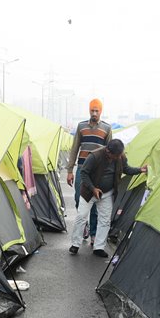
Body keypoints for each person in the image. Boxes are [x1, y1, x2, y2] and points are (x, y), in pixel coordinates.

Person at [69, 139, 146, 257]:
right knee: (81, 216)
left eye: (120, 154)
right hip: (89, 192)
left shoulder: (121, 157)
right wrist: (93, 188)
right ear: (108, 151)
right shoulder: (94, 156)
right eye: (116, 155)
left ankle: (98, 247)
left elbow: (126, 169)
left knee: (105, 220)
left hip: (107, 193)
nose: (119, 157)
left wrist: (140, 170)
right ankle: (75, 244)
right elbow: (84, 173)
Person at [66, 98, 112, 245]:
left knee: (95, 201)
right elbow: (74, 149)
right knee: (79, 199)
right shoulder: (81, 126)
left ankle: (93, 233)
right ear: (89, 111)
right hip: (81, 168)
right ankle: (83, 227)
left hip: (97, 172)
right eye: (92, 110)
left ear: (101, 111)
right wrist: (69, 170)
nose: (94, 113)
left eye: (97, 110)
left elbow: (110, 152)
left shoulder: (106, 128)